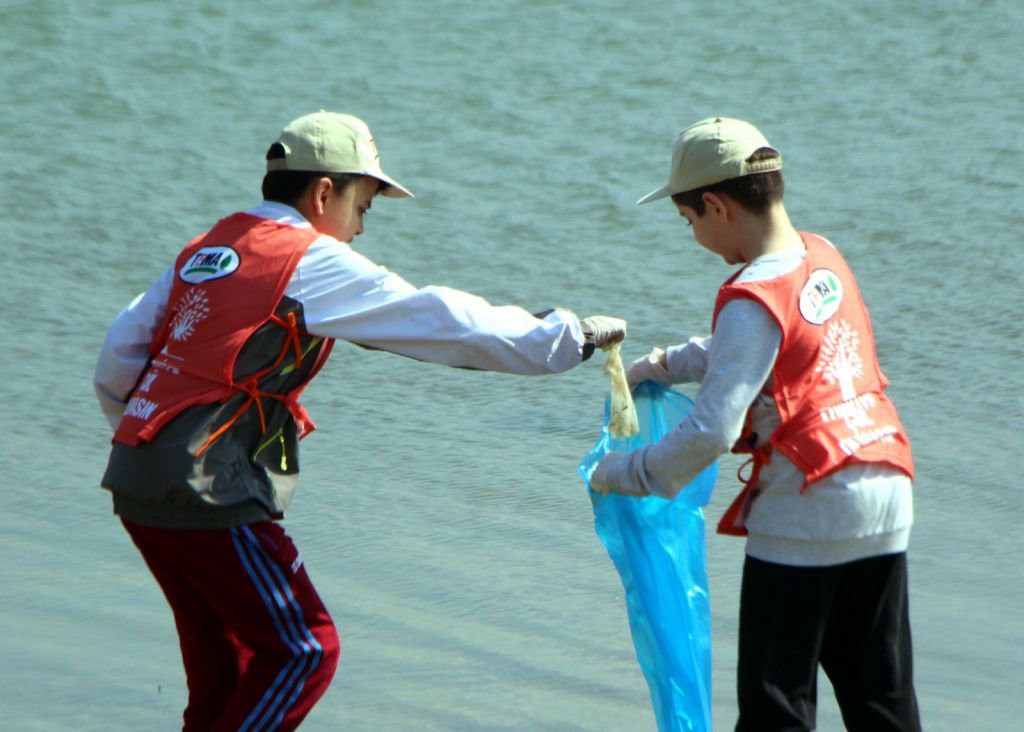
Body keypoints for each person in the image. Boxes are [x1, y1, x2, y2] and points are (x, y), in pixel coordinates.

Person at [94, 110, 626, 731]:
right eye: (364, 205)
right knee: (304, 650)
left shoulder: (209, 247)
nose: (361, 229)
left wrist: (153, 446)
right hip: (208, 488)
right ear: (325, 192)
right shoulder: (308, 259)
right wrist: (566, 337)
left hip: (137, 476)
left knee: (228, 668)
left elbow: (117, 358)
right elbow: (439, 320)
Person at [589, 117, 920, 731]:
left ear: (715, 204)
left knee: (777, 706)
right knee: (880, 698)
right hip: (884, 485)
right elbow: (763, 346)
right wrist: (665, 364)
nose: (695, 236)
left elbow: (713, 431)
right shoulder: (818, 256)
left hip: (809, 504)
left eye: (690, 222)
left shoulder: (751, 290)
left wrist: (622, 473)